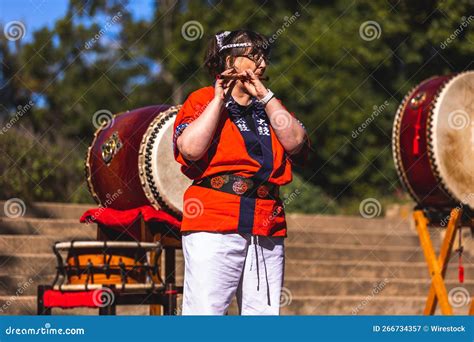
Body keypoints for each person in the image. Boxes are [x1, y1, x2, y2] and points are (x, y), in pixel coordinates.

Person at [172, 29, 310, 315]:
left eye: (265, 57)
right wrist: (218, 100)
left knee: (263, 316)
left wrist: (267, 97)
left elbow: (296, 143)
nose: (262, 64)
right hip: (215, 218)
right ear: (230, 61)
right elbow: (190, 149)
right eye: (254, 56)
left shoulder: (270, 106)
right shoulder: (200, 100)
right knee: (205, 313)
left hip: (266, 220)